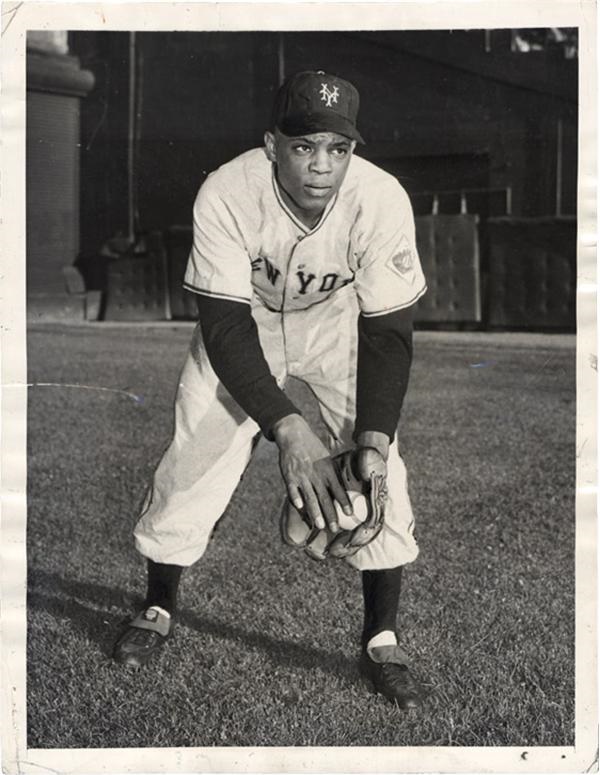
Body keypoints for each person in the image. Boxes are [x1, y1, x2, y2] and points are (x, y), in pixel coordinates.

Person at [113, 70, 427, 709]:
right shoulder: (228, 192)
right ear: (271, 145)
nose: (322, 165)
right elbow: (224, 325)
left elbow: (389, 334)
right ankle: (157, 607)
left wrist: (369, 437)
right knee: (195, 459)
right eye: (305, 145)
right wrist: (287, 428)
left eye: (338, 149)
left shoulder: (381, 199)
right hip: (246, 323)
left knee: (381, 469)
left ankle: (382, 638)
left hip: (337, 324)